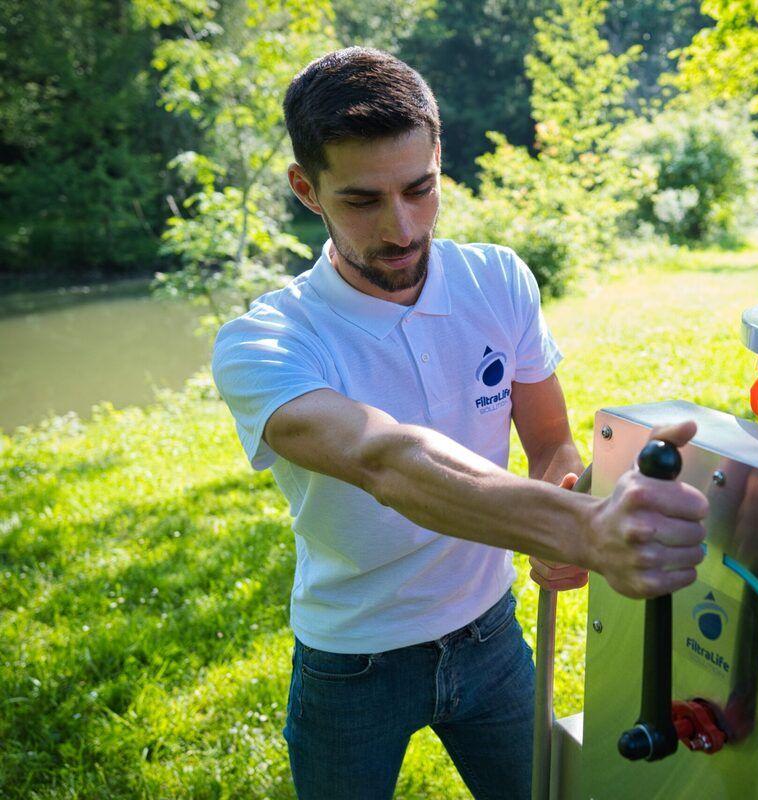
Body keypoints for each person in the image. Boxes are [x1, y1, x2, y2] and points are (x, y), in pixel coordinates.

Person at [210, 47, 708, 800]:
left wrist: (563, 498)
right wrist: (574, 528)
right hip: (352, 660)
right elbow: (385, 460)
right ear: (305, 189)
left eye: (420, 188)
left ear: (440, 157)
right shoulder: (264, 343)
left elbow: (549, 442)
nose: (402, 228)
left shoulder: (498, 279)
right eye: (362, 200)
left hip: (490, 638)